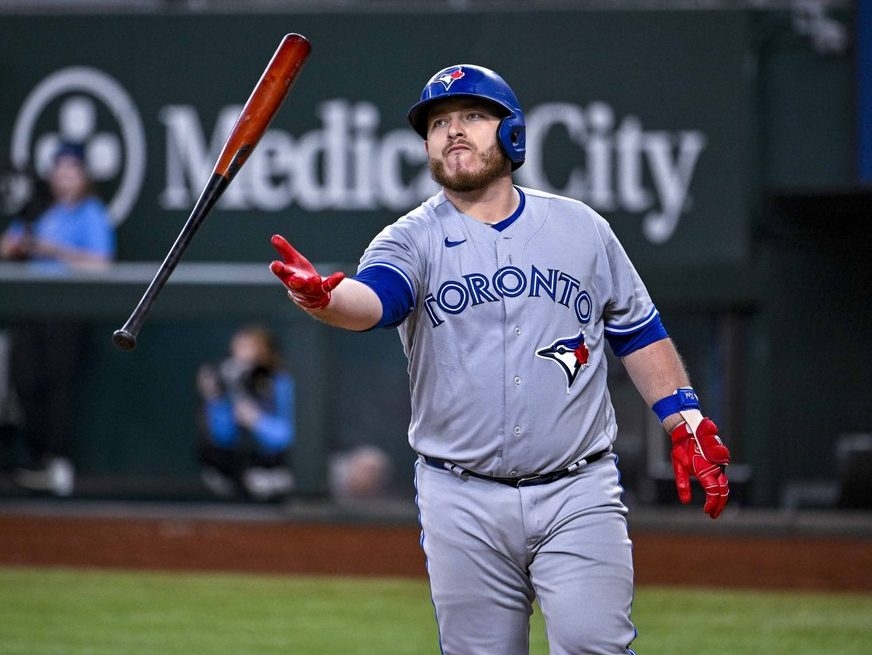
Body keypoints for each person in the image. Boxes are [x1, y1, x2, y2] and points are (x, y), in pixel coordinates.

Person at [267, 65, 731, 655]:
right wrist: (324, 298)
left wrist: (683, 421)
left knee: (596, 647)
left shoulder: (581, 229)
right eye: (439, 123)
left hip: (578, 487)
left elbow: (639, 332)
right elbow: (375, 299)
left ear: (512, 135)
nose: (453, 131)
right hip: (460, 496)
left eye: (472, 116)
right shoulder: (408, 239)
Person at [0, 141, 116, 497]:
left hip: (67, 315)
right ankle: (38, 460)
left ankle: (56, 462)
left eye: (72, 171)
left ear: (83, 176)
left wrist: (53, 251)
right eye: (59, 171)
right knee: (25, 381)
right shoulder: (42, 213)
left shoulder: (91, 213)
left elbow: (102, 264)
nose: (65, 178)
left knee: (57, 388)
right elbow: (6, 248)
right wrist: (20, 246)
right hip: (31, 312)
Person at [196, 324, 296, 501]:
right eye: (238, 348)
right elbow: (222, 437)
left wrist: (257, 420)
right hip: (235, 475)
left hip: (273, 472)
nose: (243, 356)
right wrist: (215, 400)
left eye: (249, 348)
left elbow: (288, 437)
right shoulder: (228, 386)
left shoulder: (281, 383)